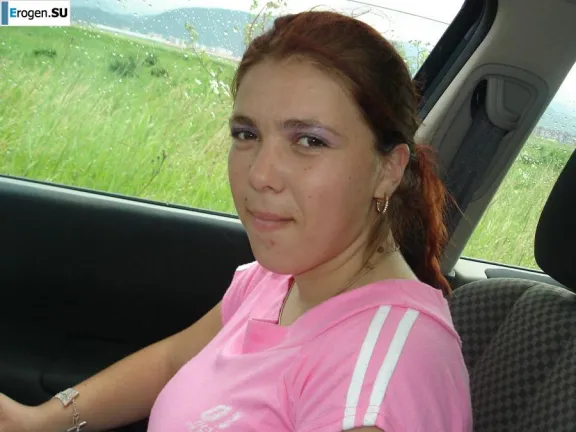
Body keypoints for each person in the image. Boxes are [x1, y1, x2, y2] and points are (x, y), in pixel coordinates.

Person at [0, 10, 472, 432]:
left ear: (388, 169)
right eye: (247, 134)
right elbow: (170, 362)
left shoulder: (379, 380)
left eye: (309, 141)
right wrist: (39, 421)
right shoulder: (280, 280)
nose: (260, 174)